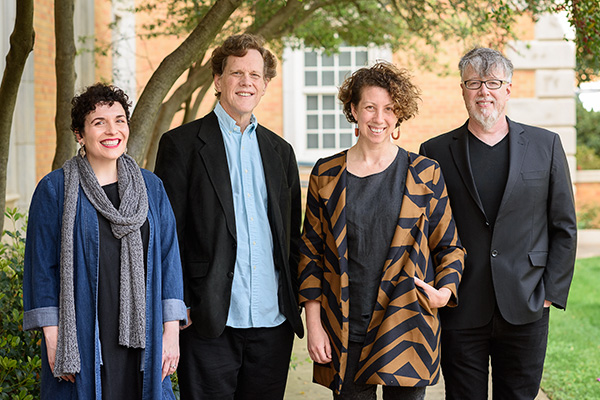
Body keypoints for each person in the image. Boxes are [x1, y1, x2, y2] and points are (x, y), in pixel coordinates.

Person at [298, 61, 466, 399]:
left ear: (399, 114)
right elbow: (310, 255)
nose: (379, 118)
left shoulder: (424, 173)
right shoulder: (326, 173)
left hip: (407, 322)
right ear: (353, 110)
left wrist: (444, 293)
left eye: (389, 109)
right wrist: (313, 326)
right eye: (370, 107)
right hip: (344, 327)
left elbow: (450, 246)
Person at [419, 47, 577, 400]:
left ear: (508, 89)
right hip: (460, 303)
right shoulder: (434, 151)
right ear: (462, 90)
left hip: (526, 303)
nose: (483, 92)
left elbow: (564, 225)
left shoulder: (545, 145)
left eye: (493, 82)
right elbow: (427, 231)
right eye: (474, 83)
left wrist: (550, 294)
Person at [154, 33, 304, 400]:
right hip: (208, 319)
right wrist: (177, 305)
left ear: (266, 85)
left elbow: (292, 237)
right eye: (236, 73)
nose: (246, 82)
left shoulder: (280, 152)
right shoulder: (181, 145)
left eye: (255, 75)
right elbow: (165, 235)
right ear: (218, 80)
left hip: (273, 321)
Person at [23, 83, 187, 399]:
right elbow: (41, 268)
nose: (112, 130)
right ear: (79, 134)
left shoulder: (150, 187)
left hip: (143, 335)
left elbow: (169, 260)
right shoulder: (55, 190)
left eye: (119, 120)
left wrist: (171, 334)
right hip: (83, 332)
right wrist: (56, 340)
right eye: (99, 122)